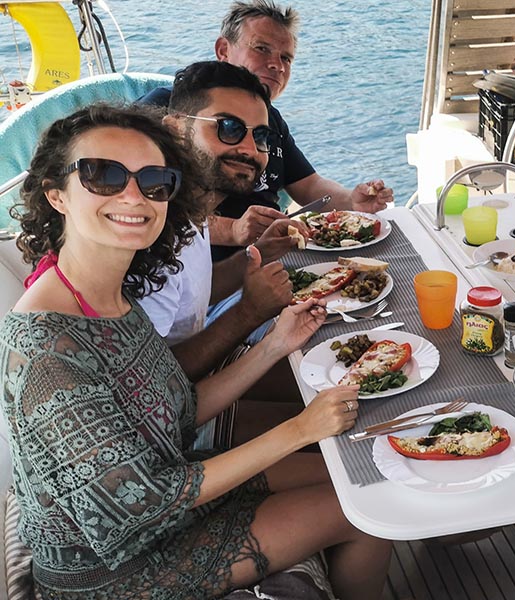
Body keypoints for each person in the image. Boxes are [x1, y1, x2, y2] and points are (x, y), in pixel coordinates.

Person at [0, 104, 390, 599]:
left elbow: (178, 411)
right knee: (368, 515)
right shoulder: (45, 350)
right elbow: (136, 508)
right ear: (56, 194)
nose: (133, 195)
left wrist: (274, 345)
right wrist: (299, 429)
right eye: (104, 175)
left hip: (171, 491)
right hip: (112, 568)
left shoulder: (107, 291)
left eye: (154, 180)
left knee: (360, 478)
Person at [139, 0, 393, 260]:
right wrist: (232, 230)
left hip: (272, 256)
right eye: (262, 48)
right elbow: (136, 205)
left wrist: (352, 201)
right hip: (196, 269)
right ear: (224, 50)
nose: (277, 66)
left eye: (286, 58)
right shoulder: (167, 109)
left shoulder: (271, 120)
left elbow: (309, 185)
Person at [141, 61, 297, 380]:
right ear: (175, 129)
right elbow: (152, 382)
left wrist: (259, 254)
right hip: (169, 410)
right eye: (228, 128)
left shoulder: (185, 209)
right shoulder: (146, 231)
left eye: (262, 137)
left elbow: (193, 295)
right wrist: (248, 313)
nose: (250, 150)